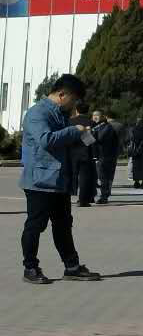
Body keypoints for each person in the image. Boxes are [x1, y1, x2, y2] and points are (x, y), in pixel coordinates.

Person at [19, 75, 101, 285]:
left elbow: (67, 141)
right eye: (74, 99)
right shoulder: (37, 113)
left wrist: (87, 137)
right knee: (35, 225)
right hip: (39, 181)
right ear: (62, 94)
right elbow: (46, 140)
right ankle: (30, 267)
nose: (75, 105)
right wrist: (75, 130)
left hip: (60, 180)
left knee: (63, 225)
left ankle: (72, 267)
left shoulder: (62, 114)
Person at [70, 102, 98, 208]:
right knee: (85, 177)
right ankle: (82, 200)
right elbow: (94, 140)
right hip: (86, 153)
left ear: (76, 110)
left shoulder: (70, 122)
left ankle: (67, 196)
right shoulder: (92, 123)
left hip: (72, 153)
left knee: (70, 175)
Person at [92, 110, 121, 203]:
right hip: (101, 155)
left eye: (97, 115)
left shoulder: (106, 127)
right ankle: (103, 194)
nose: (95, 117)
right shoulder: (97, 127)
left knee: (103, 176)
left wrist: (91, 134)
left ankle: (104, 196)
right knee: (102, 176)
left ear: (103, 117)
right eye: (93, 115)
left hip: (104, 155)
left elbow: (100, 138)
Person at [129, 123, 143, 188]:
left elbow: (130, 141)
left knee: (136, 167)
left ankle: (136, 182)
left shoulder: (133, 131)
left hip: (135, 153)